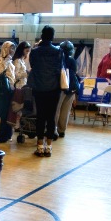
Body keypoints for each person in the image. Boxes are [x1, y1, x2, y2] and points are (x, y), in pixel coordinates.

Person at [27, 25, 62, 157]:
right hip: (54, 89)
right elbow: (60, 68)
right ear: (53, 37)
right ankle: (49, 147)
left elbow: (33, 66)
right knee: (51, 117)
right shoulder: (58, 51)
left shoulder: (35, 51)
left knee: (40, 117)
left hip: (39, 88)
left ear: (42, 36)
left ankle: (40, 146)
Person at [54, 40, 79, 138]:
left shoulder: (58, 59)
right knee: (66, 110)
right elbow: (75, 72)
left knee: (56, 109)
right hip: (72, 87)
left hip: (60, 87)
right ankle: (62, 130)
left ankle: (54, 130)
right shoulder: (72, 60)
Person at [0, 41, 16, 143]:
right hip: (4, 90)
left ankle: (7, 134)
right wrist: (6, 60)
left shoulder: (10, 60)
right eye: (11, 48)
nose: (13, 50)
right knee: (4, 114)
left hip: (11, 88)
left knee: (9, 113)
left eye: (13, 48)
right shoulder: (1, 59)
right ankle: (1, 136)